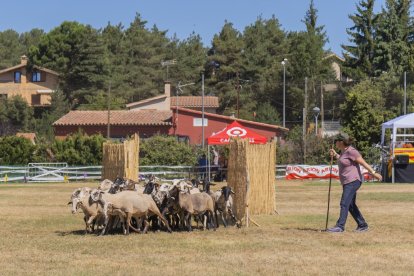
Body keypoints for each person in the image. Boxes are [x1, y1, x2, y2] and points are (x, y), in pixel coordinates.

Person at [327, 133, 382, 233]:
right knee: (351, 205)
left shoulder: (352, 151)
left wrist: (373, 173)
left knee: (344, 203)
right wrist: (335, 155)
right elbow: (344, 161)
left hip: (353, 181)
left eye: (336, 141)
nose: (335, 143)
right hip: (347, 181)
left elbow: (363, 163)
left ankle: (340, 226)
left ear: (341, 142)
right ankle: (362, 225)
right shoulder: (344, 152)